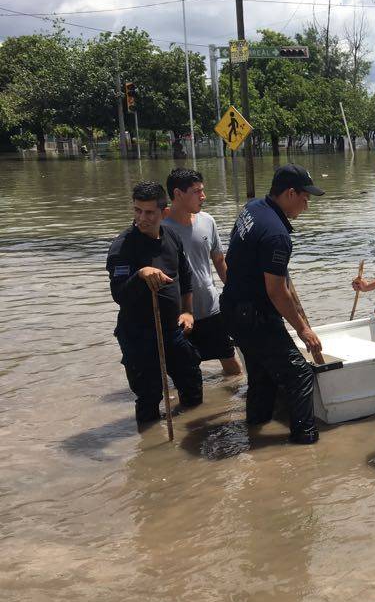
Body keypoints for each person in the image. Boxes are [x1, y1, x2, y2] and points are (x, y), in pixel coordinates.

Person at [220, 164, 324, 445]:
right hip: (254, 316)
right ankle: (305, 441)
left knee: (262, 375)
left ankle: (255, 430)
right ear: (290, 193)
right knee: (300, 374)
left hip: (233, 308)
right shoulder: (277, 234)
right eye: (305, 197)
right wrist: (303, 330)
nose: (307, 205)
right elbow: (277, 291)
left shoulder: (252, 209)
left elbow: (232, 259)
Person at [106, 181, 203, 428]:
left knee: (191, 382)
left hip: (172, 329)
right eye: (137, 210)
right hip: (138, 334)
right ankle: (149, 451)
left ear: (164, 212)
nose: (142, 218)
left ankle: (192, 434)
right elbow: (119, 294)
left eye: (149, 212)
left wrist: (187, 311)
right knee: (149, 396)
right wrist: (139, 275)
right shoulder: (122, 247)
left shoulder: (171, 236)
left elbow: (185, 275)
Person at [162, 168, 243, 376]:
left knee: (233, 367)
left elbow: (219, 260)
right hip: (178, 315)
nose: (203, 196)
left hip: (211, 308)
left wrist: (236, 293)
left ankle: (235, 405)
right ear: (178, 194)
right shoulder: (160, 228)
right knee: (185, 373)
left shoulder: (208, 221)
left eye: (202, 190)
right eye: (196, 191)